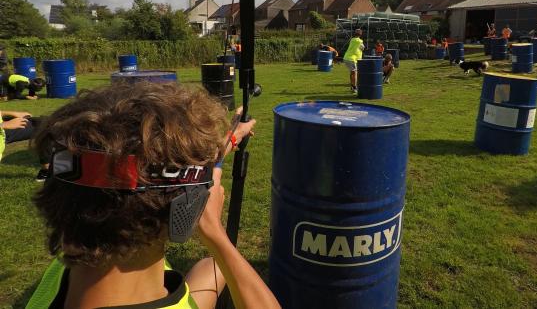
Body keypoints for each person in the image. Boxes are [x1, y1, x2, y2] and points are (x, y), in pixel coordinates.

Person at [27, 82, 281, 309]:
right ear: (186, 209)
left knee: (212, 267)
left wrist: (230, 141)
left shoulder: (69, 262)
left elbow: (130, 171)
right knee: (218, 263)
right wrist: (215, 233)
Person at [0, 110, 49, 180]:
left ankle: (46, 171)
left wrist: (14, 113)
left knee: (44, 124)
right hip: (3, 129)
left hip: (3, 130)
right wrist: (4, 125)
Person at [343, 29, 365, 93]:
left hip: (347, 58)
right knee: (355, 72)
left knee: (352, 72)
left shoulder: (352, 40)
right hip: (351, 59)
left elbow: (360, 48)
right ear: (360, 34)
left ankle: (352, 86)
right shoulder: (360, 41)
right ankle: (355, 87)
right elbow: (363, 48)